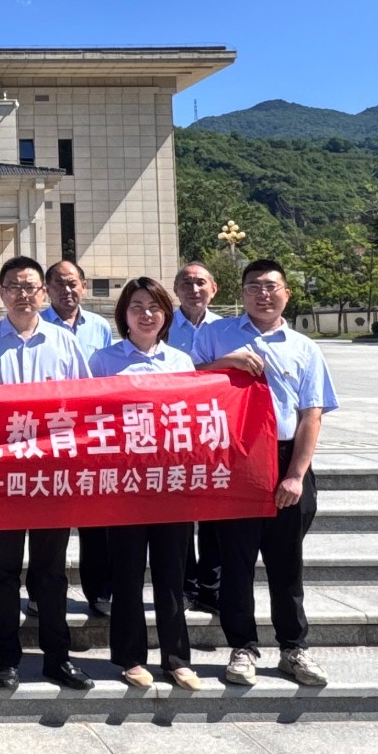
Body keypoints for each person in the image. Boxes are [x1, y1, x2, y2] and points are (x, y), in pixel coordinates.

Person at [193, 259, 338, 688]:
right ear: (241, 293)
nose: (263, 294)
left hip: (285, 456)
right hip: (235, 458)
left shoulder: (304, 348)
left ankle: (294, 647)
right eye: (254, 286)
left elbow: (311, 415)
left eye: (271, 286)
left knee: (286, 563)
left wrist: (295, 475)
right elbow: (187, 384)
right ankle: (242, 647)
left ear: (286, 294)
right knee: (236, 562)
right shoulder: (214, 335)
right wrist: (226, 362)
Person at [0, 255, 94, 691]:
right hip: (1, 477)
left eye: (30, 286)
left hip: (51, 476)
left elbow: (85, 406)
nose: (23, 294)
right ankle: (7, 657)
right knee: (3, 570)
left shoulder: (64, 343)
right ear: (1, 294)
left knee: (51, 572)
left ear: (44, 293)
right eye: (13, 286)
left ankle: (57, 657)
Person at [89, 278, 202, 691]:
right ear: (124, 314)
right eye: (137, 306)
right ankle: (131, 657)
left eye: (154, 306)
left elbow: (193, 422)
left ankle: (176, 658)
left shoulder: (181, 362)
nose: (146, 314)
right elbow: (89, 420)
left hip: (170, 482)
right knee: (127, 574)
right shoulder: (103, 361)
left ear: (166, 314)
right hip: (124, 483)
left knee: (172, 574)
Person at [42, 259, 116, 618]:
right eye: (58, 283)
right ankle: (41, 592)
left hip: (89, 435)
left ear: (83, 286)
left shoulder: (100, 327)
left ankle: (99, 590)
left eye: (72, 283)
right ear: (46, 289)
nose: (66, 290)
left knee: (95, 519)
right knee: (48, 521)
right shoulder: (37, 325)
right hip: (48, 434)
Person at [170, 261, 224, 613]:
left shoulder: (227, 330)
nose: (194, 289)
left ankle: (212, 587)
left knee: (215, 514)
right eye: (186, 283)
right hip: (173, 433)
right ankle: (186, 585)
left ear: (214, 288)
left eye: (201, 282)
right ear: (175, 289)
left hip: (214, 433)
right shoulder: (161, 326)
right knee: (180, 515)